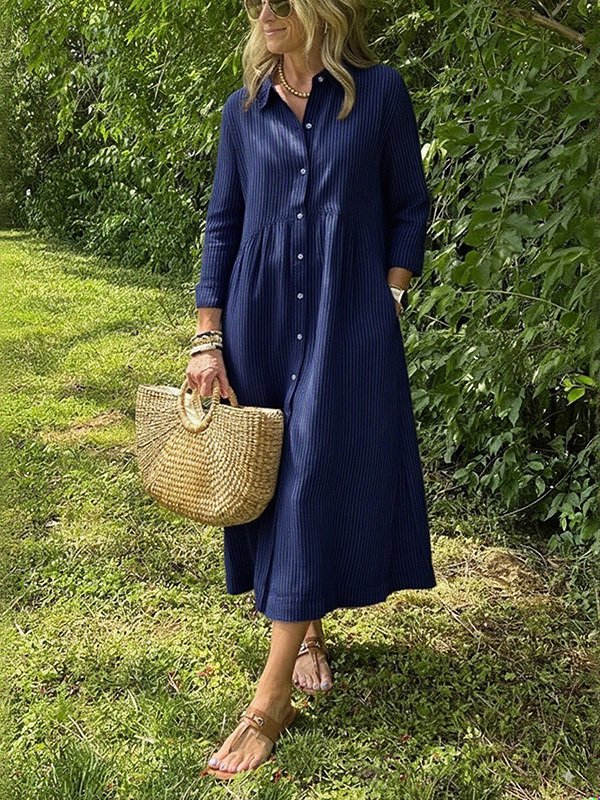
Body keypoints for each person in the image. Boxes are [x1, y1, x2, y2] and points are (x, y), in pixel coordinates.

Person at [186, 0, 437, 780]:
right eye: (254, 0)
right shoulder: (243, 112)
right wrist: (207, 337)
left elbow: (410, 205)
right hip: (260, 321)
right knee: (277, 482)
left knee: (313, 472)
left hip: (344, 321)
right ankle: (308, 630)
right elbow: (223, 223)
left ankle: (269, 702)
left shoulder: (380, 93)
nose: (263, 11)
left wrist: (389, 296)